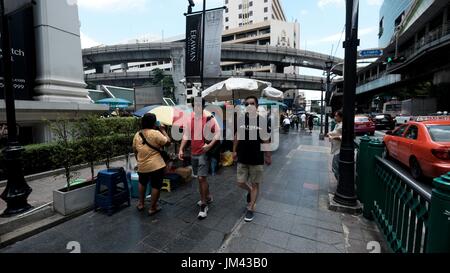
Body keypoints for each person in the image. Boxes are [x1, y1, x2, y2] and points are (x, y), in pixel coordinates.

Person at [178, 98, 220, 220]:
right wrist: (181, 149)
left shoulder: (209, 118)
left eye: (199, 106)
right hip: (193, 153)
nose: (196, 108)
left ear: (203, 106)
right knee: (200, 178)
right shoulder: (189, 119)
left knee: (201, 178)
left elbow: (217, 133)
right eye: (194, 106)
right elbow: (186, 135)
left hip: (204, 153)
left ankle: (203, 205)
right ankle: (208, 196)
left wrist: (210, 145)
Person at [233, 96, 272, 222]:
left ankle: (251, 208)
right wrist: (234, 150)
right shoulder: (241, 120)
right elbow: (237, 136)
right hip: (243, 156)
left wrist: (268, 155)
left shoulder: (262, 121)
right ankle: (250, 191)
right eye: (247, 103)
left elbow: (265, 139)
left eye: (252, 103)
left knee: (256, 183)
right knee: (240, 182)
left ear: (256, 106)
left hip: (256, 158)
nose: (250, 105)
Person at [133, 113, 171, 216]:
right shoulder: (155, 133)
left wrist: (139, 161)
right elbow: (168, 142)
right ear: (154, 123)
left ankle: (141, 203)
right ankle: (152, 208)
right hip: (156, 165)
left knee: (142, 182)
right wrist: (162, 130)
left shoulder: (137, 134)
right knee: (156, 185)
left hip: (142, 165)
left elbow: (135, 151)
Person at [327, 110, 343, 180]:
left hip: (339, 149)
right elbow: (334, 132)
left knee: (335, 167)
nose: (335, 117)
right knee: (335, 167)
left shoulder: (342, 126)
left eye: (336, 116)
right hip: (336, 148)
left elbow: (342, 137)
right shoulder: (337, 124)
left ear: (341, 117)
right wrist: (329, 134)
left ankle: (340, 182)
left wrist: (333, 137)